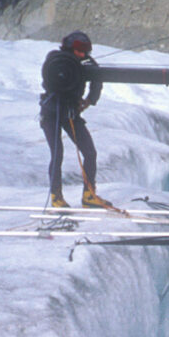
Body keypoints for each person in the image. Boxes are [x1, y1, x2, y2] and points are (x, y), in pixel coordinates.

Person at [39, 31, 112, 208]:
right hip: (51, 112)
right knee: (57, 153)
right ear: (70, 48)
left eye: (85, 51)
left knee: (90, 152)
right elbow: (49, 80)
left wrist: (89, 101)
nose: (82, 55)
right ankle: (56, 197)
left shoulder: (86, 63)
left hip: (70, 113)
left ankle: (89, 195)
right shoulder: (57, 59)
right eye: (79, 51)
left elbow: (97, 79)